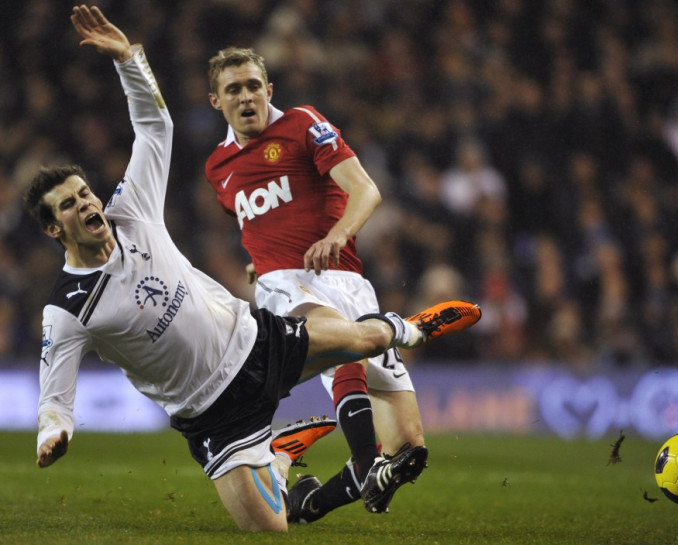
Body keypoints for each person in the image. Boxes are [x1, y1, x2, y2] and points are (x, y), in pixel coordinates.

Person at [25, 5, 481, 533]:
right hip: (212, 404)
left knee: (379, 391)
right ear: (54, 229)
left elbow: (154, 129)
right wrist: (51, 433)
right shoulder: (66, 308)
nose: (85, 203)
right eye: (68, 204)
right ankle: (306, 441)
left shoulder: (133, 210)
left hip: (252, 340)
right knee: (271, 528)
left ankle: (401, 338)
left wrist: (130, 59)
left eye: (84, 192)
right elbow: (53, 393)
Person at [204, 46, 463, 520]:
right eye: (233, 89)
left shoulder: (303, 123)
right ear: (215, 101)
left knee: (408, 451)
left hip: (347, 280)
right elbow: (259, 226)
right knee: (347, 342)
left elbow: (366, 189)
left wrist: (338, 233)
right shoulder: (218, 167)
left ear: (269, 90)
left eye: (254, 86)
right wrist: (258, 266)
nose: (246, 97)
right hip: (289, 288)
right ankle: (366, 458)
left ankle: (308, 504)